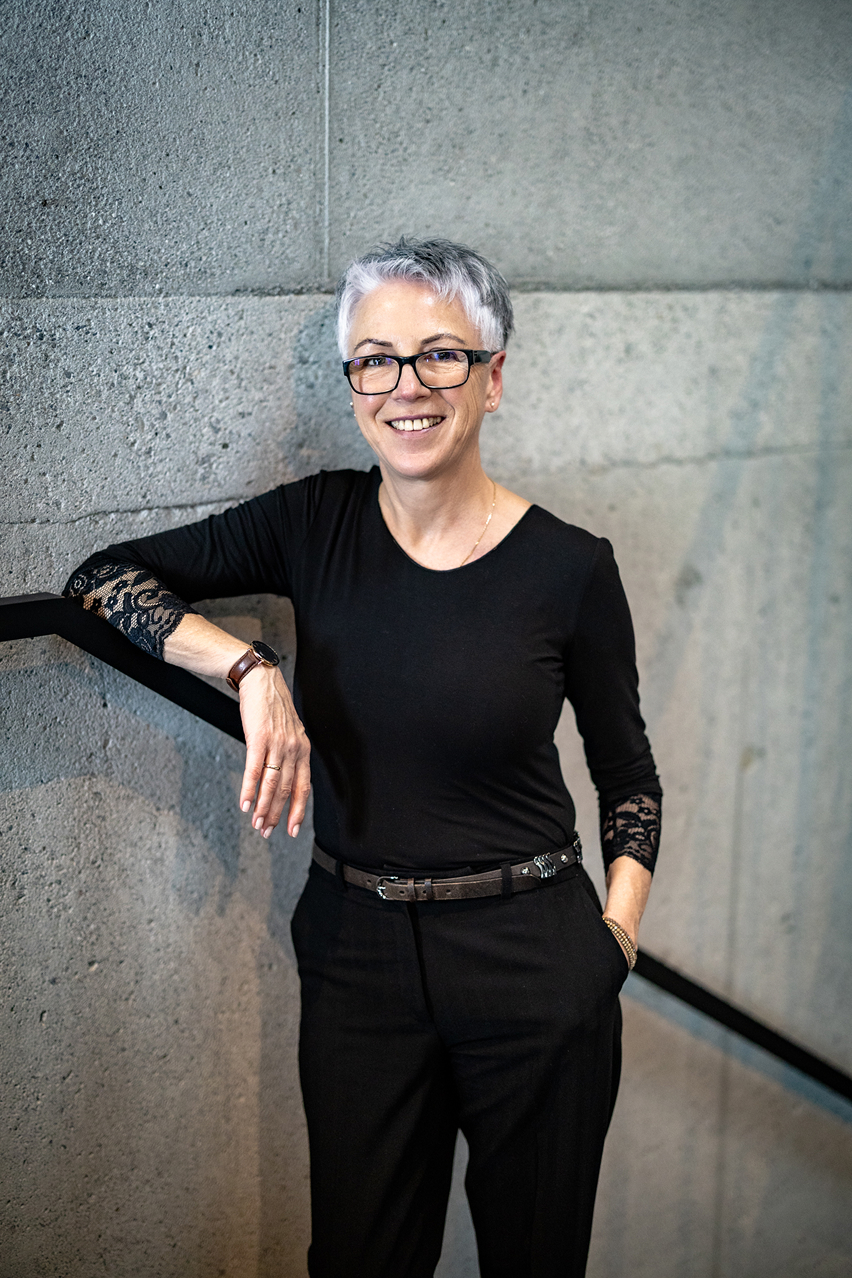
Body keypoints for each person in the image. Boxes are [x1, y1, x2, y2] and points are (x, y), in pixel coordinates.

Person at [64, 237, 662, 1278]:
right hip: (357, 958)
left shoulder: (570, 568)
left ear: (493, 378)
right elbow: (101, 581)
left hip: (533, 954)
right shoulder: (314, 521)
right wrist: (250, 668)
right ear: (353, 386)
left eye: (441, 356)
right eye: (376, 361)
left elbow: (629, 778)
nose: (406, 386)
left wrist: (610, 943)